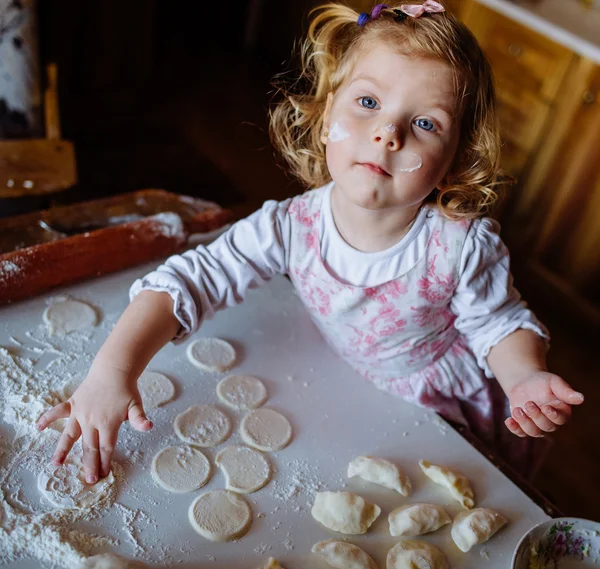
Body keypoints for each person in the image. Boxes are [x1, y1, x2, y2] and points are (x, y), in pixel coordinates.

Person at [37, 1, 584, 484]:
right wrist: (112, 371)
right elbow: (189, 280)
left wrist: (525, 377)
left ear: (452, 162)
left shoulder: (461, 245)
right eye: (367, 103)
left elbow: (499, 325)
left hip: (439, 409)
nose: (388, 134)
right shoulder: (289, 227)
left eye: (423, 123)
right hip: (344, 388)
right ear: (325, 120)